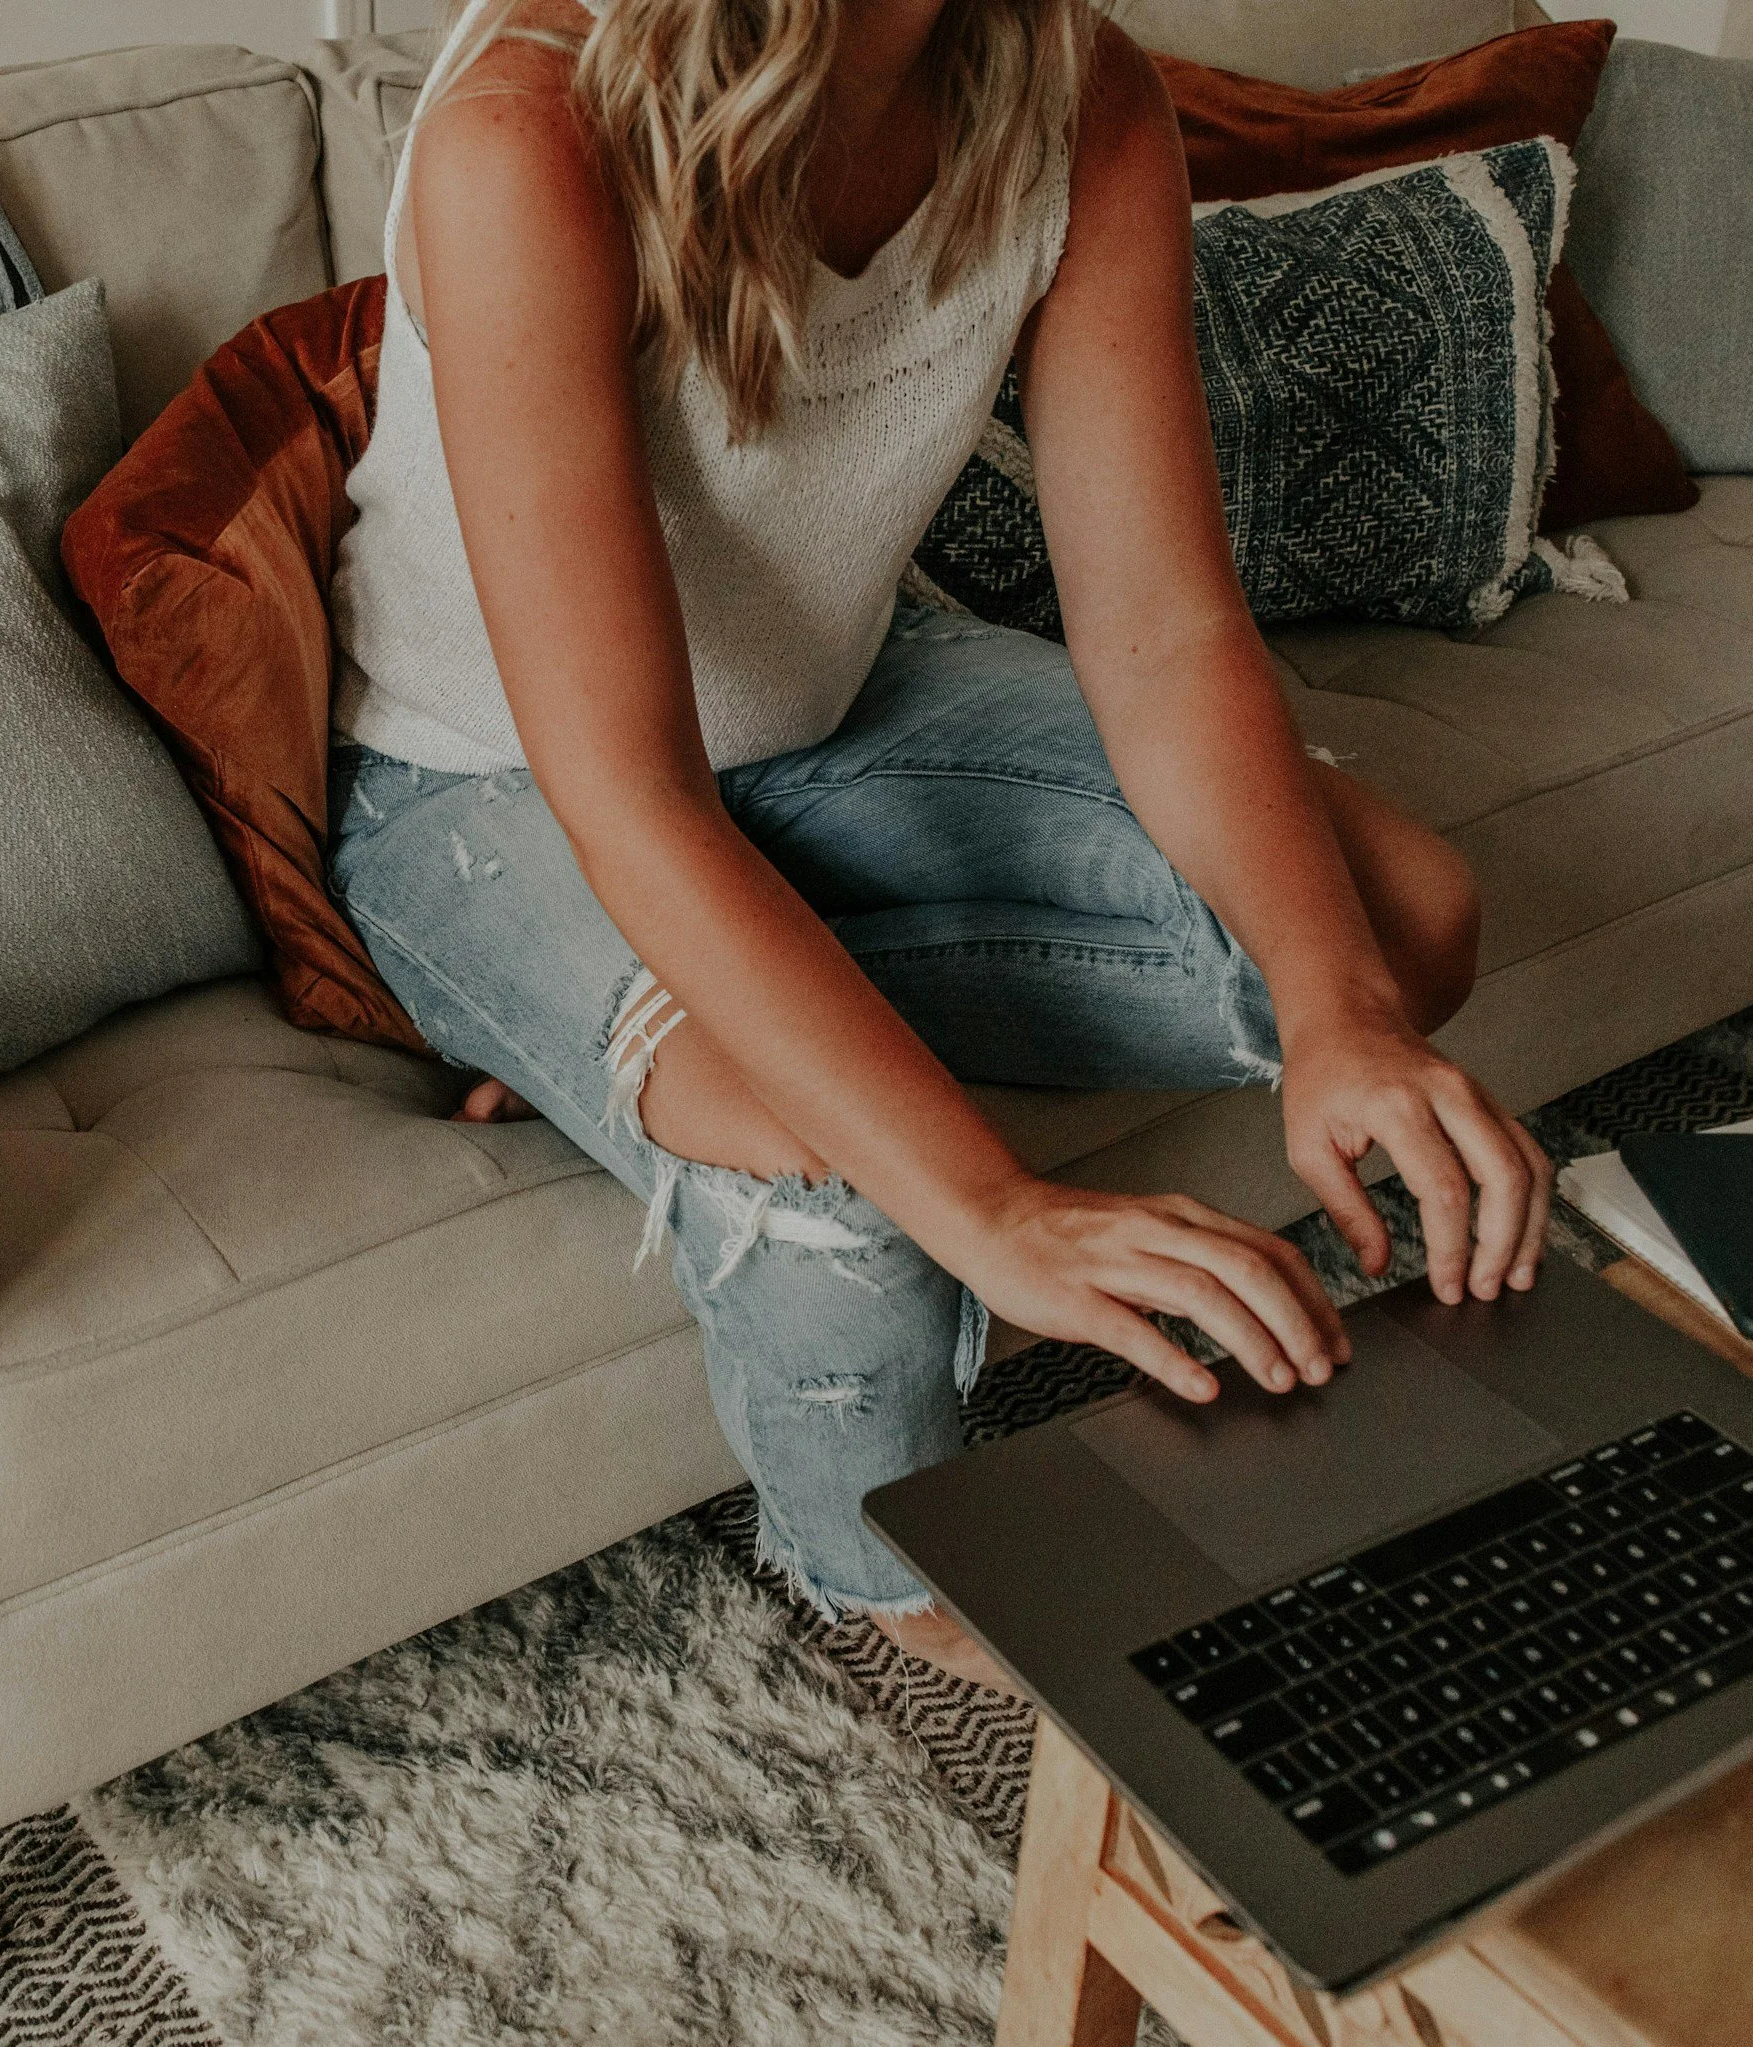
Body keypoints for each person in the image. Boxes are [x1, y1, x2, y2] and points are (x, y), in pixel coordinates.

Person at [325, 0, 1552, 1690]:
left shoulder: (1080, 90)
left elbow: (1169, 632)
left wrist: (1340, 1012)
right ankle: (886, 1565)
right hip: (489, 792)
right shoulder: (528, 135)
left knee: (1396, 919)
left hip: (842, 701)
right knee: (851, 1201)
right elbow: (630, 791)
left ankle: (671, 1043)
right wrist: (991, 1209)